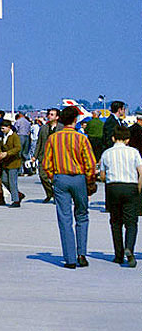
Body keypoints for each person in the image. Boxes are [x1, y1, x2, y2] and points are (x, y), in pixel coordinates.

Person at [41, 106, 97, 269]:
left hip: (60, 178)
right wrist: (89, 181)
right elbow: (90, 163)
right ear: (75, 120)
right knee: (82, 215)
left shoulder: (53, 138)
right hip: (79, 178)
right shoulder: (81, 138)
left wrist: (54, 177)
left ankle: (70, 258)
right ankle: (82, 254)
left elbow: (46, 163)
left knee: (64, 218)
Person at [99, 126, 142, 267]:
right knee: (131, 222)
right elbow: (140, 172)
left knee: (116, 222)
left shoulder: (106, 153)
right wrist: (138, 189)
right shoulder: (134, 152)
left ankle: (118, 254)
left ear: (113, 138)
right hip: (130, 186)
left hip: (113, 187)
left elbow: (102, 175)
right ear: (128, 139)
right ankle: (129, 247)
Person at [32, 108, 63, 202]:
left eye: (52, 114)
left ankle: (57, 196)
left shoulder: (61, 128)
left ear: (57, 117)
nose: (49, 116)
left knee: (56, 178)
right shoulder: (43, 128)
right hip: (44, 155)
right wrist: (35, 156)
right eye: (49, 114)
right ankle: (50, 193)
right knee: (43, 176)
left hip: (57, 157)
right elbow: (39, 143)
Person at [0, 120, 23, 207]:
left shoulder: (14, 136)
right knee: (4, 180)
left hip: (14, 162)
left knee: (12, 182)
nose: (2, 130)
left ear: (9, 127)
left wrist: (7, 153)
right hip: (6, 162)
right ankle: (18, 194)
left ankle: (16, 200)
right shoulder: (4, 136)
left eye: (3, 128)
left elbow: (18, 148)